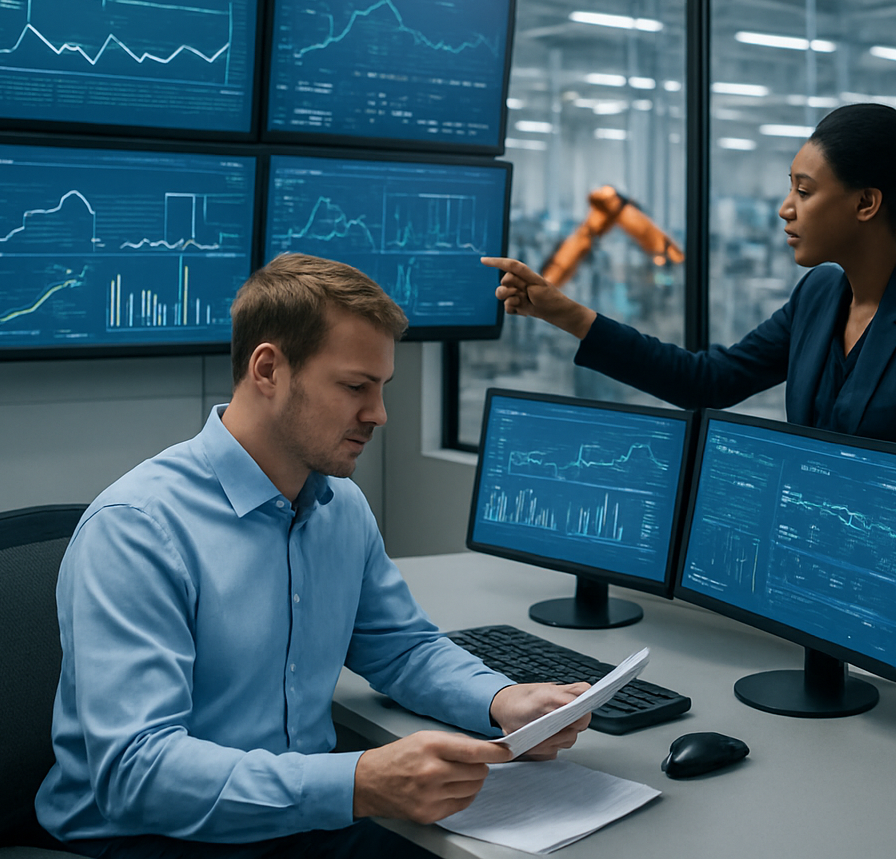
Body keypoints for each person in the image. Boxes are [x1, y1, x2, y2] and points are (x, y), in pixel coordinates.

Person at [36, 253, 591, 858]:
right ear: (269, 369)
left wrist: (502, 700)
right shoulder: (138, 530)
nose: (378, 414)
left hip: (292, 820)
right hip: (150, 838)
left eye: (381, 389)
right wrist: (360, 783)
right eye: (355, 386)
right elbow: (137, 773)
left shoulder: (339, 507)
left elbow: (401, 647)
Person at [485, 103, 896, 710]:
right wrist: (568, 315)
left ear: (865, 203)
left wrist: (852, 597)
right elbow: (709, 380)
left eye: (803, 189)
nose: (785, 208)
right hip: (832, 620)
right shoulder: (819, 295)